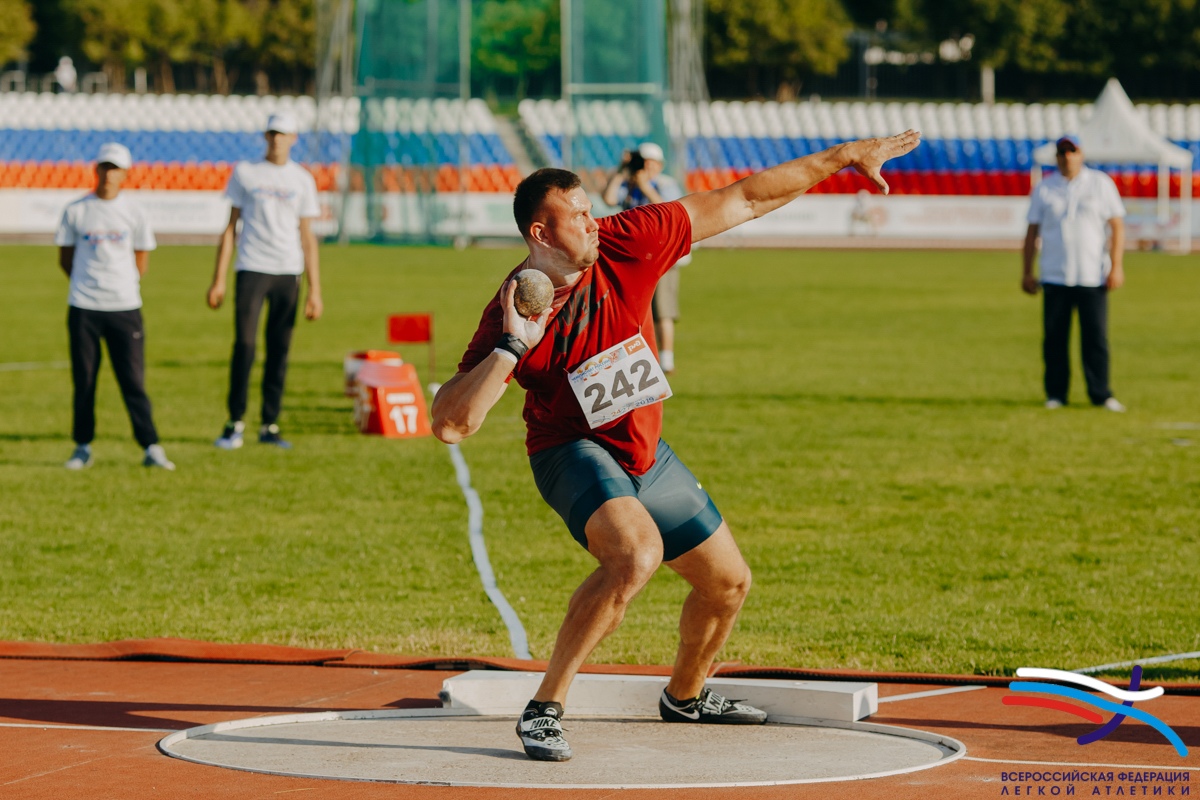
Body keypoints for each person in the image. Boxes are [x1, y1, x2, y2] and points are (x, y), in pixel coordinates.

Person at [431, 130, 921, 762]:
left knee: (728, 584)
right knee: (635, 556)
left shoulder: (628, 239)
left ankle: (686, 696)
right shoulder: (511, 309)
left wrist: (843, 158)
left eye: (590, 207)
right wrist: (511, 347)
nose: (593, 221)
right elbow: (451, 423)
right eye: (577, 216)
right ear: (541, 235)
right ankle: (544, 709)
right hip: (570, 450)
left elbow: (742, 199)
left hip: (643, 451)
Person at [55, 142, 174, 471]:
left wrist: (120, 284)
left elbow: (142, 260)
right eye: (105, 167)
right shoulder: (76, 210)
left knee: (133, 381)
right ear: (97, 170)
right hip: (84, 307)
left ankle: (151, 446)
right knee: (85, 381)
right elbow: (65, 259)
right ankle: (82, 445)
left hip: (124, 307)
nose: (109, 174)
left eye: (116, 168)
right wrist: (88, 285)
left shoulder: (134, 212)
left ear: (125, 174)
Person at [207, 112, 323, 450]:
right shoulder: (245, 172)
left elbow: (308, 237)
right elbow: (230, 229)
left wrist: (315, 289)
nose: (276, 139)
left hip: (288, 271)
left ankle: (269, 424)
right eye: (272, 133)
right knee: (244, 346)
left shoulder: (302, 179)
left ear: (293, 138)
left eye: (283, 134)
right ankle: (234, 422)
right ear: (265, 136)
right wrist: (219, 280)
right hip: (252, 268)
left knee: (279, 350)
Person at [1022, 134, 1127, 412]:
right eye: (1062, 152)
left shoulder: (1100, 184)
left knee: (1096, 338)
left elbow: (1116, 226)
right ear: (1056, 156)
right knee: (1055, 339)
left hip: (1092, 274)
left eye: (1072, 151)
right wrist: (1027, 271)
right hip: (1055, 274)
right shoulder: (1044, 188)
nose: (1067, 156)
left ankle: (1101, 393)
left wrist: (1117, 265)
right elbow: (1032, 232)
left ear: (1081, 153)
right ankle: (1056, 394)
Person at [602, 141, 688, 374]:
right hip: (633, 257)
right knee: (630, 309)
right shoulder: (628, 184)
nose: (646, 166)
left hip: (662, 256)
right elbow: (609, 199)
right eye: (643, 161)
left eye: (650, 162)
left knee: (663, 308)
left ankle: (666, 358)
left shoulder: (666, 184)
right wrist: (621, 171)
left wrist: (646, 186)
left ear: (659, 165)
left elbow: (671, 211)